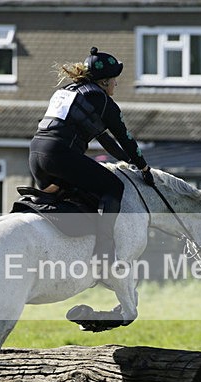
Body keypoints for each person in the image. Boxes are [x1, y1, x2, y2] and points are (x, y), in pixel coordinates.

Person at [29, 46, 153, 259]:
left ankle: (66, 250)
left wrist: (127, 161)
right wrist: (143, 167)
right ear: (104, 81)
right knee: (113, 186)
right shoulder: (103, 101)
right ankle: (104, 252)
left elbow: (106, 141)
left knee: (75, 197)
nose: (116, 83)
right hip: (60, 156)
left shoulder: (69, 91)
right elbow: (125, 139)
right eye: (114, 79)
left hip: (36, 155)